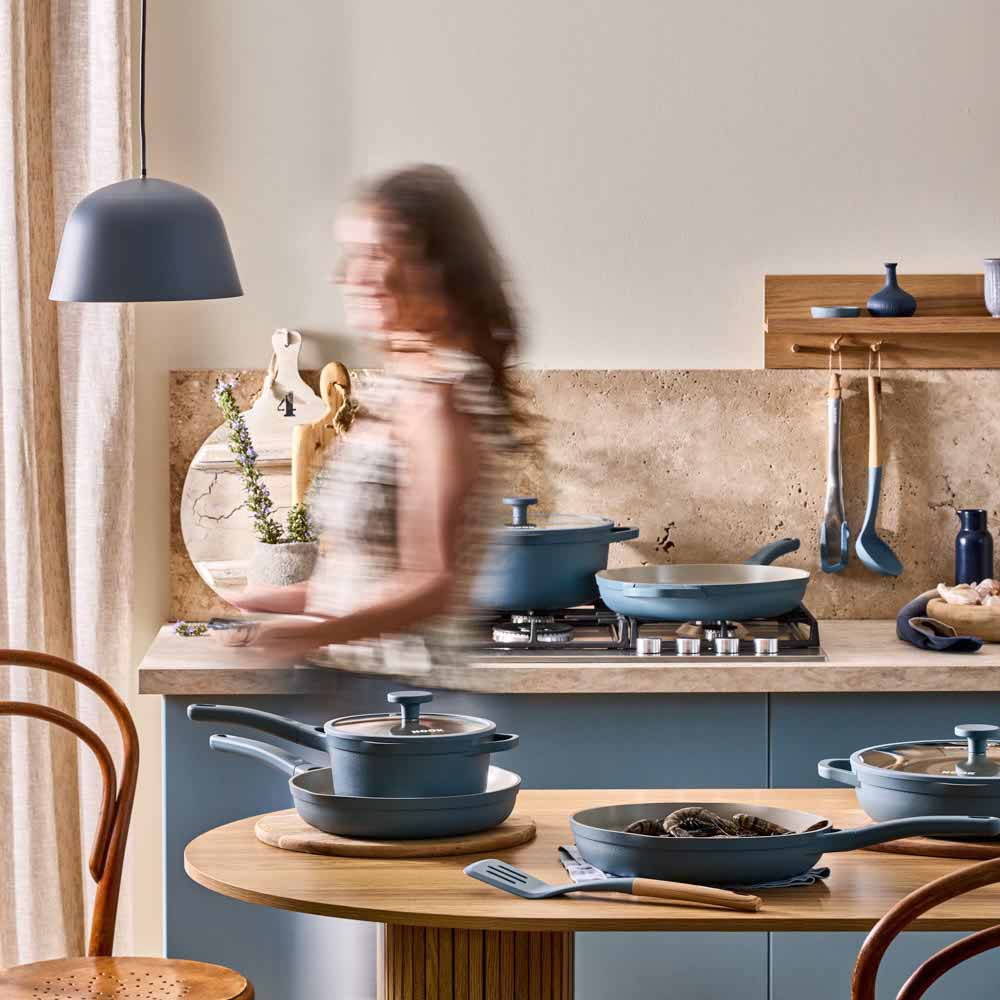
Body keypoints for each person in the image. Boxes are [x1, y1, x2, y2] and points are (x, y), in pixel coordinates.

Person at [225, 164, 522, 671]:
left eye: (375, 254)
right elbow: (373, 574)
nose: (348, 275)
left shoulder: (443, 401)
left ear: (438, 270)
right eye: (351, 254)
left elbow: (435, 585)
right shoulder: (401, 388)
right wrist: (280, 601)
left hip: (408, 708)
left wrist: (307, 638)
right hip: (365, 700)